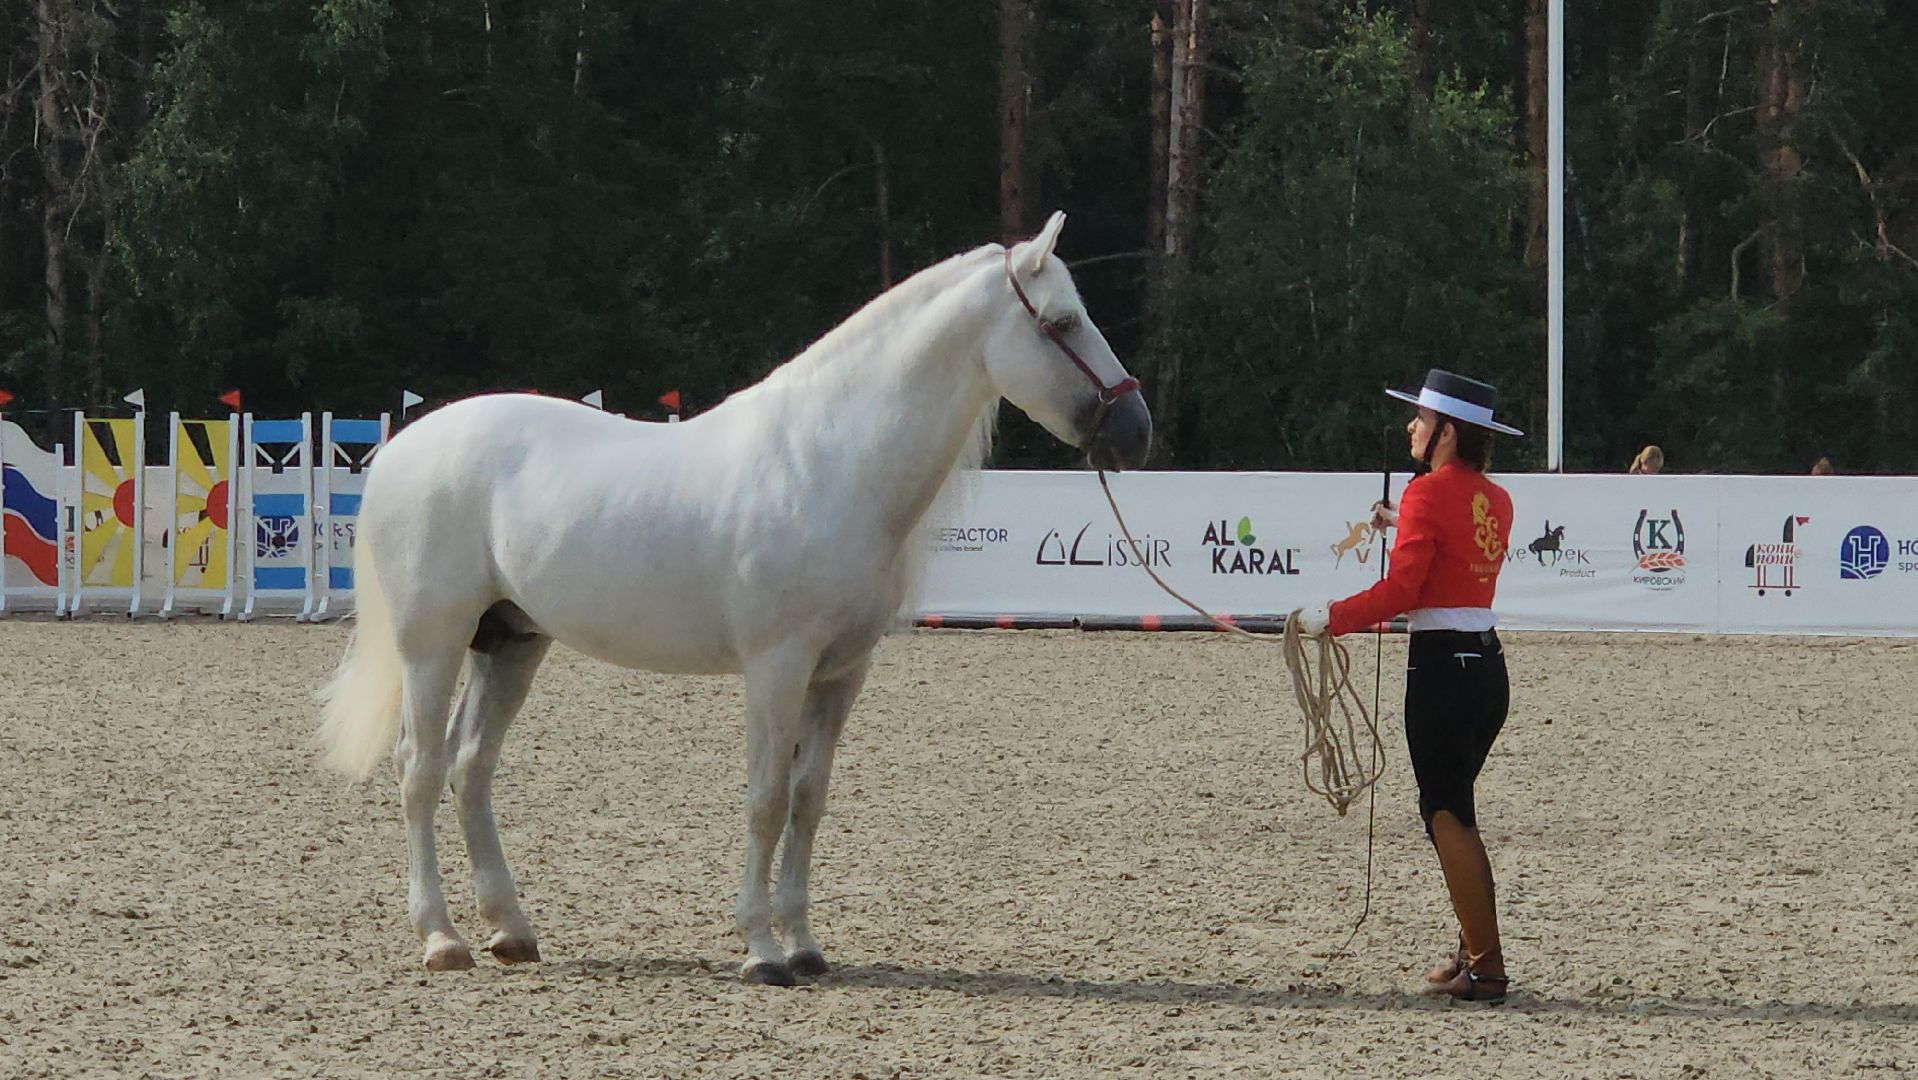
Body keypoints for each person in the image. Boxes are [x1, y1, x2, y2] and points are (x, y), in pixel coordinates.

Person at [1293, 368, 1520, 1004]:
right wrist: (1405, 519)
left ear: (1446, 433)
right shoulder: (1496, 498)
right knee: (1456, 813)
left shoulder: (1426, 492)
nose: (1411, 427)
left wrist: (1329, 618)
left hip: (1443, 670)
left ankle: (1488, 965)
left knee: (1446, 814)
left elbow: (1403, 593)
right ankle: (1474, 948)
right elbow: (1454, 550)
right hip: (1487, 669)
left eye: (1421, 420)